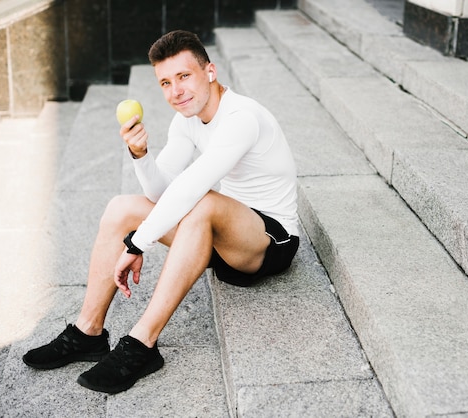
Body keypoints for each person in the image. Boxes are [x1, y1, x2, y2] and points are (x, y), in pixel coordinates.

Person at [22, 30, 300, 394]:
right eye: (166, 82)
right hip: (219, 237)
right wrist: (141, 156)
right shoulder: (186, 120)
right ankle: (87, 332)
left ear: (210, 72)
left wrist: (137, 245)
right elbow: (161, 190)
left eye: (184, 77)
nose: (176, 91)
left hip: (267, 242)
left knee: (204, 201)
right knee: (121, 207)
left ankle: (142, 344)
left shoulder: (241, 117)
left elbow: (191, 187)